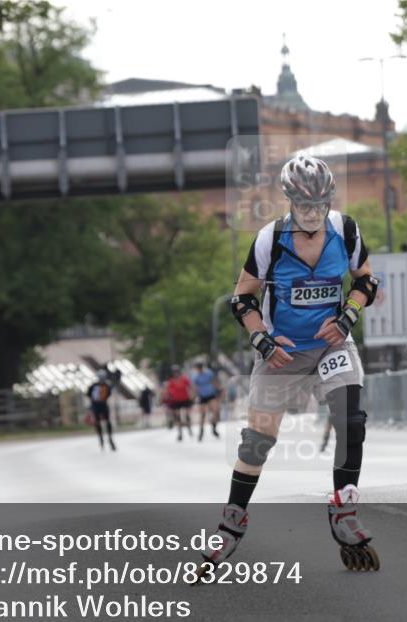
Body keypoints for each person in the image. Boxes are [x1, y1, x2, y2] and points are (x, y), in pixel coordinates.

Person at [196, 155, 382, 578]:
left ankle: (344, 508)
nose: (312, 214)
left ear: (329, 200)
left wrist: (348, 316)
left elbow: (366, 280)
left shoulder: (346, 230)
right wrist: (261, 337)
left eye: (319, 205)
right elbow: (241, 299)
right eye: (304, 206)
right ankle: (232, 523)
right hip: (281, 350)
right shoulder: (269, 240)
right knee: (258, 442)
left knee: (351, 419)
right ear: (290, 202)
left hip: (330, 345)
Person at [86, 369, 117, 451]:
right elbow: (89, 394)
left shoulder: (102, 385)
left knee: (105, 422)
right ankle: (103, 438)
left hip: (100, 405)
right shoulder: (98, 385)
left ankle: (107, 438)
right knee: (100, 422)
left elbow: (89, 395)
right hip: (99, 405)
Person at [191, 361, 221, 441]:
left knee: (216, 410)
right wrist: (194, 397)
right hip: (202, 396)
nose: (200, 369)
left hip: (211, 394)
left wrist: (217, 390)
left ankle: (213, 426)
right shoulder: (195, 376)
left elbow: (214, 381)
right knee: (203, 414)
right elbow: (194, 387)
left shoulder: (209, 373)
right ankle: (201, 431)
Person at [164, 366, 194, 441]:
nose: (175, 374)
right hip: (176, 401)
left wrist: (192, 396)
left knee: (187, 415)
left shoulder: (184, 379)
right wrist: (167, 398)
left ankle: (189, 427)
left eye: (176, 372)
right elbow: (168, 391)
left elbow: (190, 387)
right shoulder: (171, 381)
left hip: (185, 399)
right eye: (174, 372)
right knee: (178, 417)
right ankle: (180, 433)